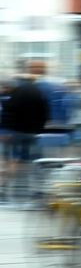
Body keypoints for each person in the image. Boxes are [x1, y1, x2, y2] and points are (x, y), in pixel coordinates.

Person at [3, 61, 51, 204]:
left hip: (16, 133)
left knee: (13, 161)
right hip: (33, 133)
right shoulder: (39, 92)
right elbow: (45, 113)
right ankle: (37, 190)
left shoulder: (16, 92)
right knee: (35, 161)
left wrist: (6, 129)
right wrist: (40, 128)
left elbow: (8, 111)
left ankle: (5, 190)